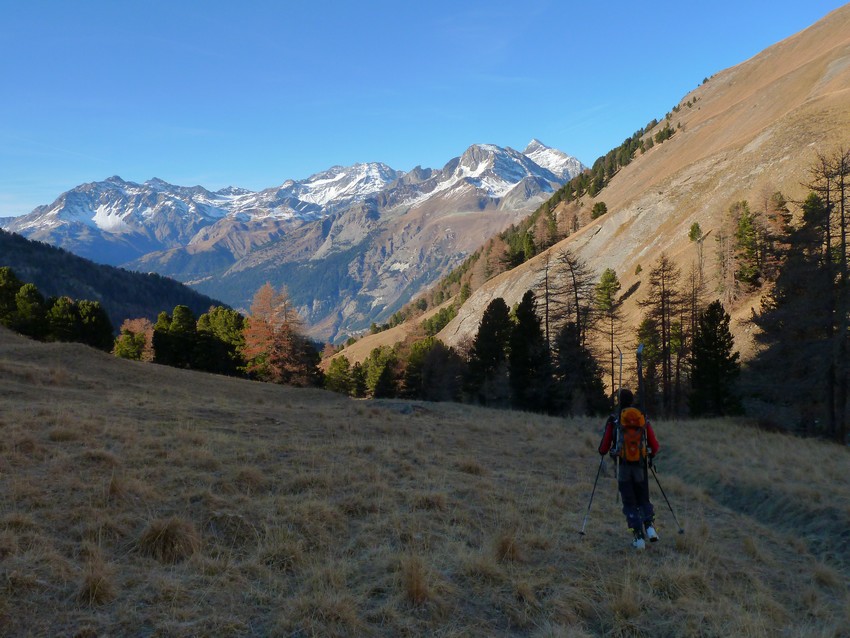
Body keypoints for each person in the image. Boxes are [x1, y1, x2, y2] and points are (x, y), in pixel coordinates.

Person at [598, 388, 660, 550]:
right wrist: (648, 454)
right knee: (643, 498)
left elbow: (603, 447)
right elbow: (655, 445)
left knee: (629, 502)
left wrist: (606, 451)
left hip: (623, 466)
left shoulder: (615, 419)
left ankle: (638, 539)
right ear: (632, 400)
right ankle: (650, 528)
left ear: (619, 400)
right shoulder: (641, 419)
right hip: (640, 466)